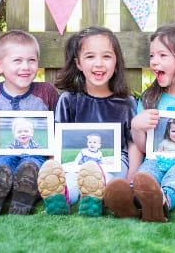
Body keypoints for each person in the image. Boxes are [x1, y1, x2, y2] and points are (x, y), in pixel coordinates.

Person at [103, 24, 175, 222]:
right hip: (156, 159)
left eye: (162, 55)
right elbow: (143, 147)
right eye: (152, 56)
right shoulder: (150, 98)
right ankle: (131, 202)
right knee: (145, 175)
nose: (154, 62)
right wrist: (137, 126)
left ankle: (162, 202)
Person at [36, 26, 137, 217]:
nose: (98, 64)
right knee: (72, 180)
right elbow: (58, 142)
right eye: (90, 57)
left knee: (107, 178)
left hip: (114, 163)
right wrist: (55, 168)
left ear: (116, 63)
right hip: (77, 164)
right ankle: (62, 197)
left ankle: (94, 198)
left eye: (106, 56)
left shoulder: (127, 103)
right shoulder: (68, 100)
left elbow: (132, 144)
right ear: (79, 63)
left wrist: (132, 175)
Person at [0, 30, 59, 217]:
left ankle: (24, 192)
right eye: (17, 60)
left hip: (35, 154)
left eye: (31, 60)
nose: (26, 66)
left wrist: (53, 159)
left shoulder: (46, 92)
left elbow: (56, 130)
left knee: (31, 165)